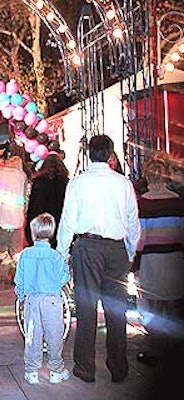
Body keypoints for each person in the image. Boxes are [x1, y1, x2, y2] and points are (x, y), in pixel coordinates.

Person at [56, 134, 141, 383]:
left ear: (89, 153)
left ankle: (85, 366)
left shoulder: (78, 183)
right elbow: (132, 222)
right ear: (111, 154)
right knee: (117, 310)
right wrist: (130, 252)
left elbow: (68, 221)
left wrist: (62, 253)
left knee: (86, 307)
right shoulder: (123, 183)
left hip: (87, 247)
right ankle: (118, 366)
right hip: (116, 249)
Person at [135, 157, 184, 367]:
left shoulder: (143, 203)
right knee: (174, 305)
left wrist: (134, 263)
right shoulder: (177, 201)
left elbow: (140, 238)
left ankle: (156, 349)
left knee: (153, 306)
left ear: (147, 177)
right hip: (175, 258)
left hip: (152, 259)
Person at [14, 213, 71, 385]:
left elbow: (19, 280)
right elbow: (64, 277)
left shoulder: (25, 255)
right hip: (52, 300)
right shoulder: (56, 256)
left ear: (33, 233)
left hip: (32, 300)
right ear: (52, 233)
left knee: (33, 335)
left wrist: (21, 295)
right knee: (55, 335)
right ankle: (56, 370)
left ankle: (31, 371)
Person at [0, 155, 28, 284]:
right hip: (16, 217)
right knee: (16, 249)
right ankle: (17, 276)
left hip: (0, 216)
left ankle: (4, 272)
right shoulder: (22, 176)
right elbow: (25, 197)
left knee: (0, 247)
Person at [25, 153, 69, 247]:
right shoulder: (66, 182)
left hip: (43, 225)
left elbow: (34, 207)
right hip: (61, 224)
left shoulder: (38, 182)